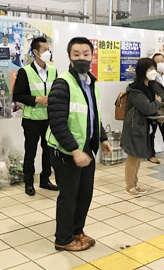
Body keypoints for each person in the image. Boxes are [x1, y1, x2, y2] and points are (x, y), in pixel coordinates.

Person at [46, 37, 112, 251]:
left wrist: (102, 138)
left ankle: (77, 231)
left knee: (84, 195)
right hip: (66, 151)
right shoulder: (63, 84)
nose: (81, 58)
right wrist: (74, 150)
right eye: (76, 54)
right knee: (69, 196)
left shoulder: (91, 83)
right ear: (69, 57)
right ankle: (63, 239)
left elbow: (93, 116)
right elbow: (57, 122)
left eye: (85, 54)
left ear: (92, 56)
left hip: (85, 149)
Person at [13, 37, 58, 196]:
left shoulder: (53, 70)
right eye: (45, 50)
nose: (48, 52)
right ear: (35, 52)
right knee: (30, 152)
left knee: (48, 152)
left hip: (49, 119)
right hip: (31, 120)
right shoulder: (25, 71)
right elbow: (17, 95)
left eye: (48, 49)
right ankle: (29, 183)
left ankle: (45, 180)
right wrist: (36, 100)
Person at [121, 58, 162, 197]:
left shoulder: (149, 86)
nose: (153, 72)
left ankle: (135, 184)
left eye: (153, 68)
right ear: (142, 71)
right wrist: (157, 103)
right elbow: (147, 108)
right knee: (133, 157)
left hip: (141, 126)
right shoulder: (136, 89)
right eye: (149, 69)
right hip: (134, 126)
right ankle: (129, 186)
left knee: (137, 157)